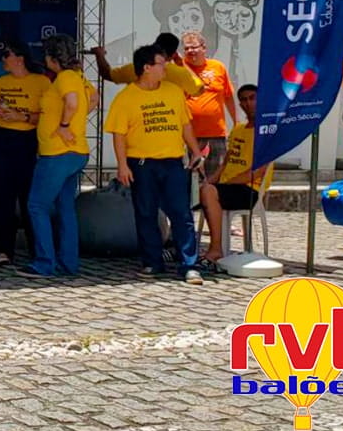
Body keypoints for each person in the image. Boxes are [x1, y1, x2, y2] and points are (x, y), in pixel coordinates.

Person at [104, 43, 205, 285]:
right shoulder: (126, 98)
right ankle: (152, 262)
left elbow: (185, 124)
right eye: (161, 64)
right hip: (142, 164)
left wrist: (195, 151)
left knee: (181, 213)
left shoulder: (173, 91)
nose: (166, 68)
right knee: (146, 213)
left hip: (173, 162)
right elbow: (119, 134)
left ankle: (189, 265)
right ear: (146, 67)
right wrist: (122, 165)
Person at [19, 34, 97, 278]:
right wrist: (76, 121)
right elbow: (93, 98)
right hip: (75, 152)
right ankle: (68, 263)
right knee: (65, 207)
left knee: (37, 206)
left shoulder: (65, 77)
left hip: (57, 153)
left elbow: (72, 103)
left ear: (52, 58)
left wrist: (64, 125)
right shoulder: (79, 77)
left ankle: (44, 263)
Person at [0, 40, 50, 266]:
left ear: (20, 58)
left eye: (7, 54)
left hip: (26, 141)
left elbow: (49, 115)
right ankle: (4, 250)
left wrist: (21, 116)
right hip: (1, 139)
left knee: (28, 196)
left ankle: (36, 250)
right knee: (3, 196)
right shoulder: (1, 82)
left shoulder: (41, 82)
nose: (3, 59)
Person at [199, 84, 273, 263]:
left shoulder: (267, 132)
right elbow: (226, 162)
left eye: (252, 98)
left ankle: (216, 249)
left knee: (209, 192)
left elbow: (258, 171)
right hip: (228, 186)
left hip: (249, 189)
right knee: (200, 190)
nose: (248, 103)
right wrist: (211, 181)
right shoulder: (238, 129)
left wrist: (225, 183)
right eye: (244, 100)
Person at [181, 30, 236, 182]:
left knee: (216, 176)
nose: (190, 51)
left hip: (216, 133)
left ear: (204, 48)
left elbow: (228, 96)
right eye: (186, 48)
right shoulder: (179, 70)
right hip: (188, 135)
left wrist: (236, 122)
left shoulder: (218, 67)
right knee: (190, 177)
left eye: (194, 47)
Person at [91, 32, 203, 95]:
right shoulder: (180, 73)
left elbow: (107, 74)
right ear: (173, 55)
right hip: (170, 124)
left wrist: (99, 55)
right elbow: (199, 90)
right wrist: (182, 64)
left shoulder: (135, 68)